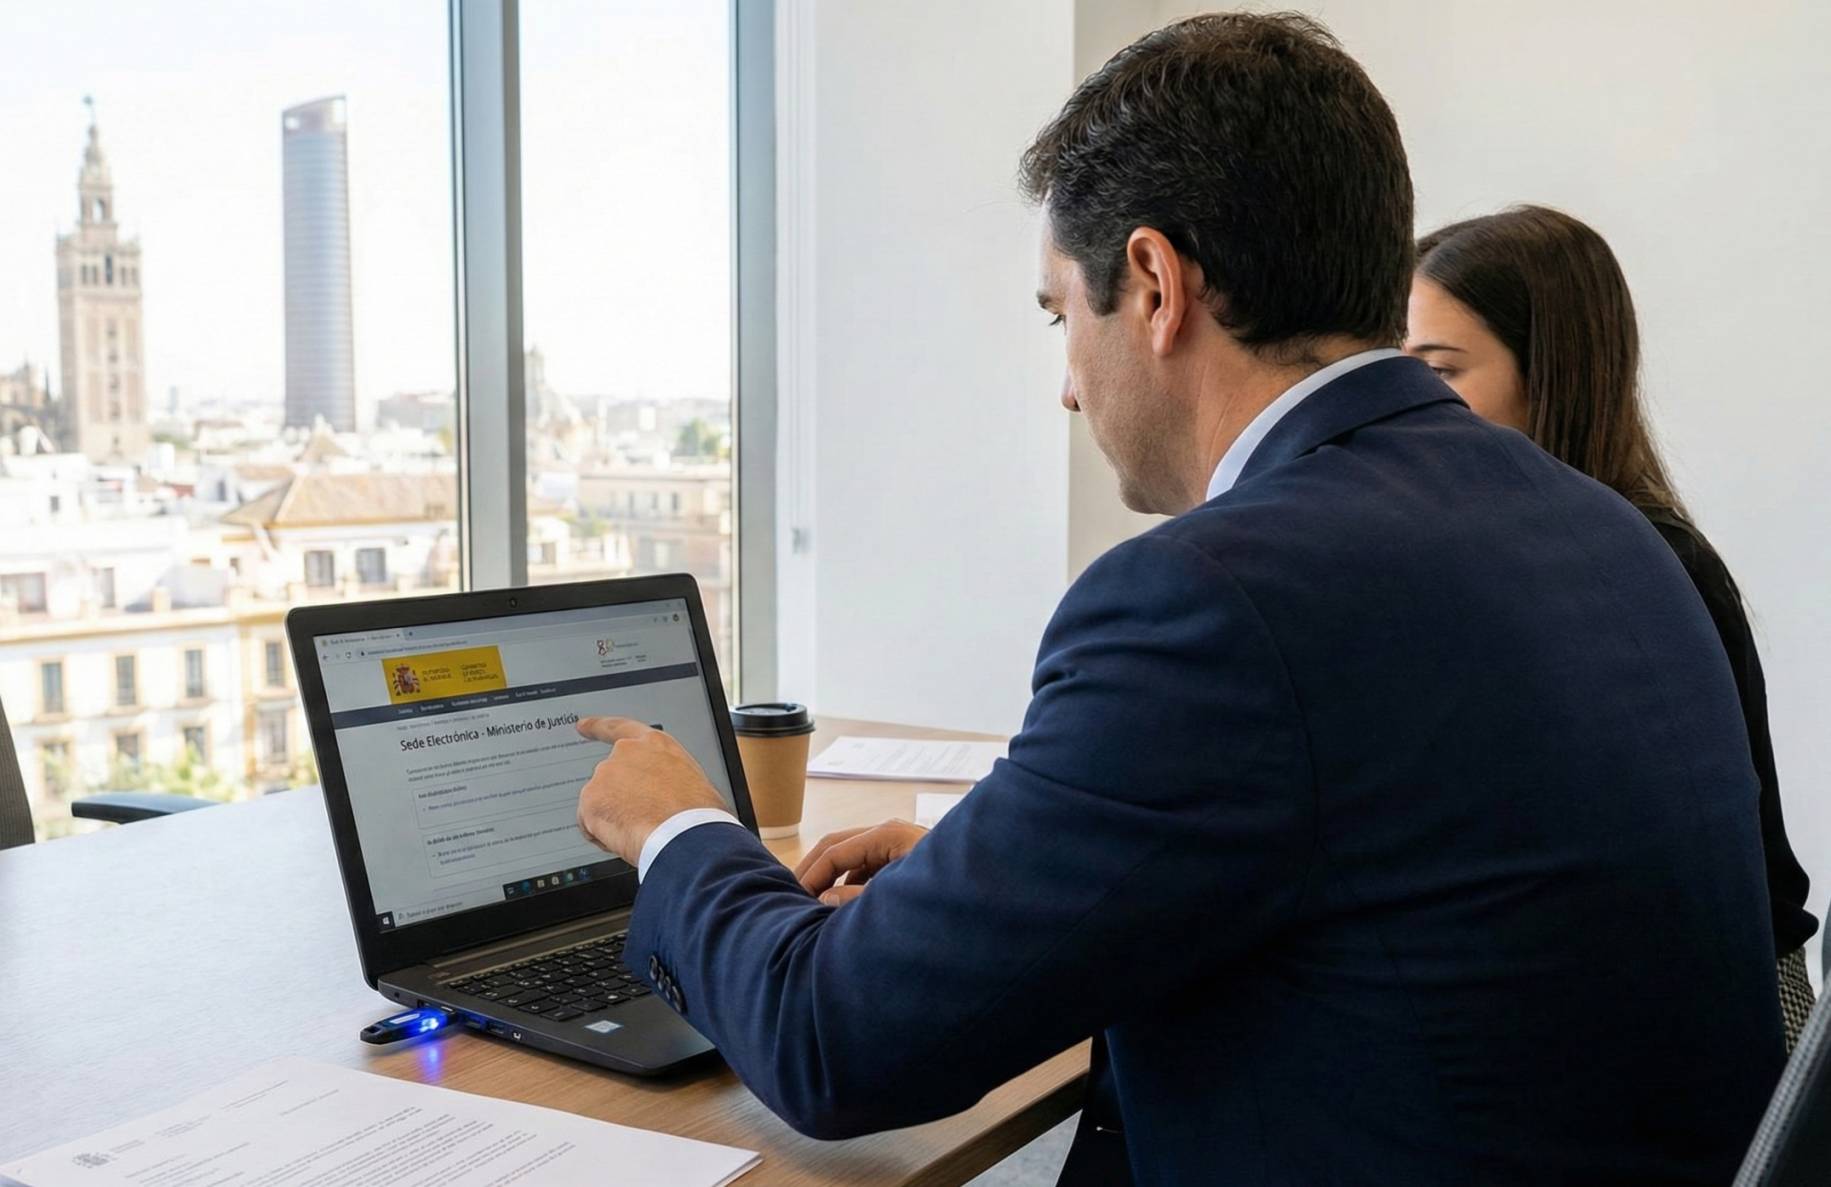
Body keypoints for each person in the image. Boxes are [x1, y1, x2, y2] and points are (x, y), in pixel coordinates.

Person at [574, 13, 1785, 1184]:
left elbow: (830, 1043)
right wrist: (1005, 875)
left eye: (1060, 313)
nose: (1063, 385)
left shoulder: (1213, 597)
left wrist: (679, 830)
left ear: (1152, 284)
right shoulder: (1601, 528)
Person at [1407, 204, 1817, 1048]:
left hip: (1709, 1006)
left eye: (1438, 372)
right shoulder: (1481, 558)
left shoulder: (1645, 566)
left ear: (1550, 372)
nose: (1404, 407)